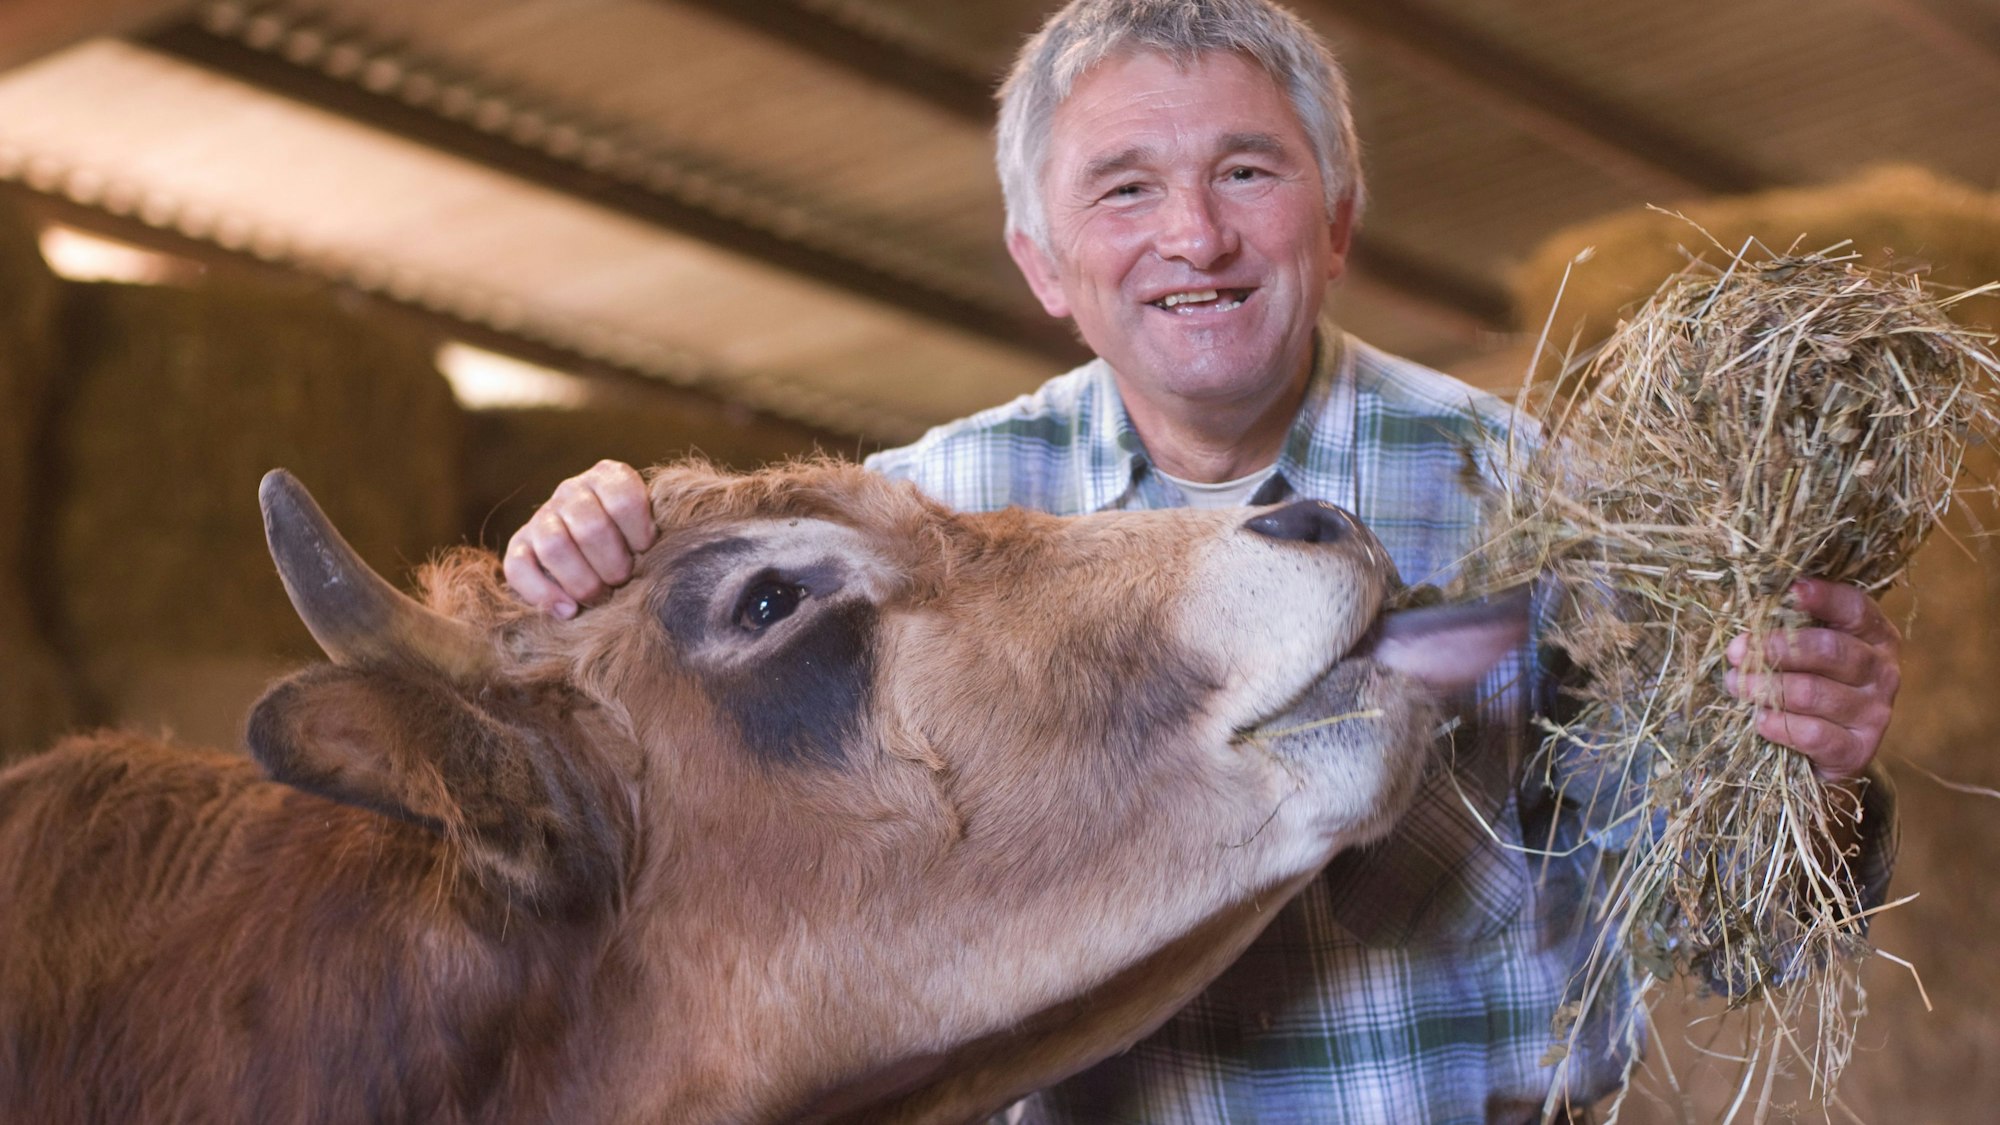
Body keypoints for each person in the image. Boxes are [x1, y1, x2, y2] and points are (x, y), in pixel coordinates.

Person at [503, 2, 1902, 1120]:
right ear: (1042, 262)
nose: (1195, 236)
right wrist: (579, 572)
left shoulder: (1537, 492)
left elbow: (1739, 933)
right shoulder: (921, 520)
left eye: (1247, 169)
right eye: (1124, 188)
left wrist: (1811, 773)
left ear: (1338, 219)